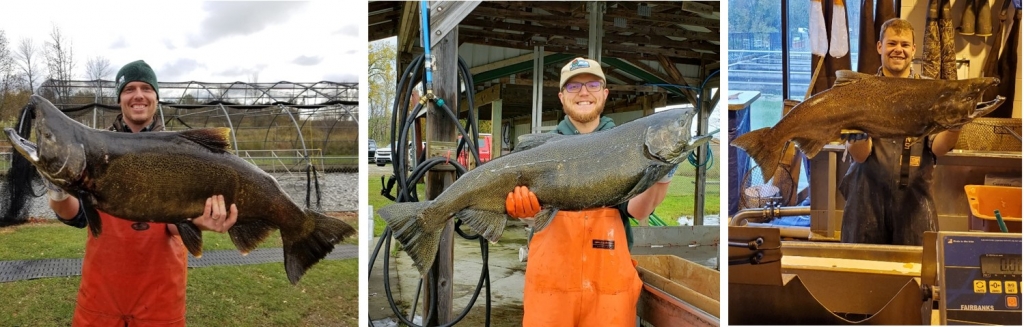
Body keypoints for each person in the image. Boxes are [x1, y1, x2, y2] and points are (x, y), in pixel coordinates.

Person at [45, 60, 239, 326]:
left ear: (156, 98)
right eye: (129, 89)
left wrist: (198, 220)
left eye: (146, 88)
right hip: (101, 297)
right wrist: (57, 191)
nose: (138, 95)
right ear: (120, 98)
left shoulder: (181, 152)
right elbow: (78, 217)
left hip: (160, 298)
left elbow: (171, 225)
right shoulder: (92, 152)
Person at [504, 57, 675, 326]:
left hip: (609, 294)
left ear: (605, 93)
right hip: (550, 291)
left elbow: (637, 210)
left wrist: (661, 173)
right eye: (573, 87)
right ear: (561, 97)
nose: (584, 92)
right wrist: (524, 214)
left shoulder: (625, 144)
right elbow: (531, 213)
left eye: (592, 84)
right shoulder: (539, 149)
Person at [839, 18, 961, 245]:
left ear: (913, 50)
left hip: (914, 201)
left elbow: (938, 148)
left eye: (905, 45)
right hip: (865, 198)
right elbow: (860, 155)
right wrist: (858, 137)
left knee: (916, 274)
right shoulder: (859, 92)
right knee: (862, 273)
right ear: (880, 47)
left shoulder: (930, 92)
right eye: (892, 43)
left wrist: (956, 125)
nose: (898, 50)